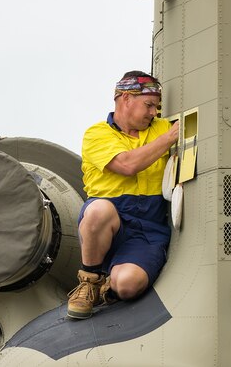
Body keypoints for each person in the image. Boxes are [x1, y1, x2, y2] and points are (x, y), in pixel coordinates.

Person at [66, 70, 180, 319]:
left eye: (156, 107)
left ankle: (112, 285)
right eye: (149, 105)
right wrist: (170, 137)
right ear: (126, 98)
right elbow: (127, 165)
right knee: (98, 211)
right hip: (112, 220)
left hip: (148, 228)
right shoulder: (97, 134)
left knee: (128, 285)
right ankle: (90, 281)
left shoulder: (161, 127)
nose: (153, 113)